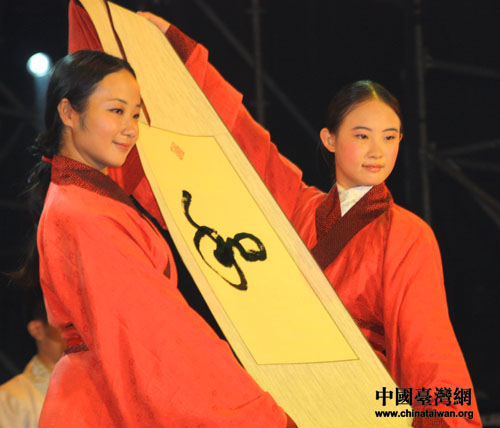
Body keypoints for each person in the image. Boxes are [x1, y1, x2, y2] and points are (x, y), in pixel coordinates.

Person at [68, 8, 480, 427]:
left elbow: (428, 348)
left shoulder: (408, 234)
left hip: (362, 401)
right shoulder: (297, 207)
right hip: (280, 395)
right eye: (362, 136)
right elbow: (241, 140)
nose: (377, 151)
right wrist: (174, 53)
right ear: (330, 139)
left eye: (389, 138)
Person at [19, 49, 296, 427]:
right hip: (102, 401)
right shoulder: (82, 212)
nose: (131, 128)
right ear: (68, 112)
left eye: (135, 114)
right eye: (116, 111)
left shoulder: (81, 199)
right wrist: (255, 415)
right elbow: (155, 338)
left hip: (99, 394)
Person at [0, 286, 64, 428]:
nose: (75, 332)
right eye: (65, 324)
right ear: (37, 330)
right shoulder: (10, 401)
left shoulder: (96, 387)